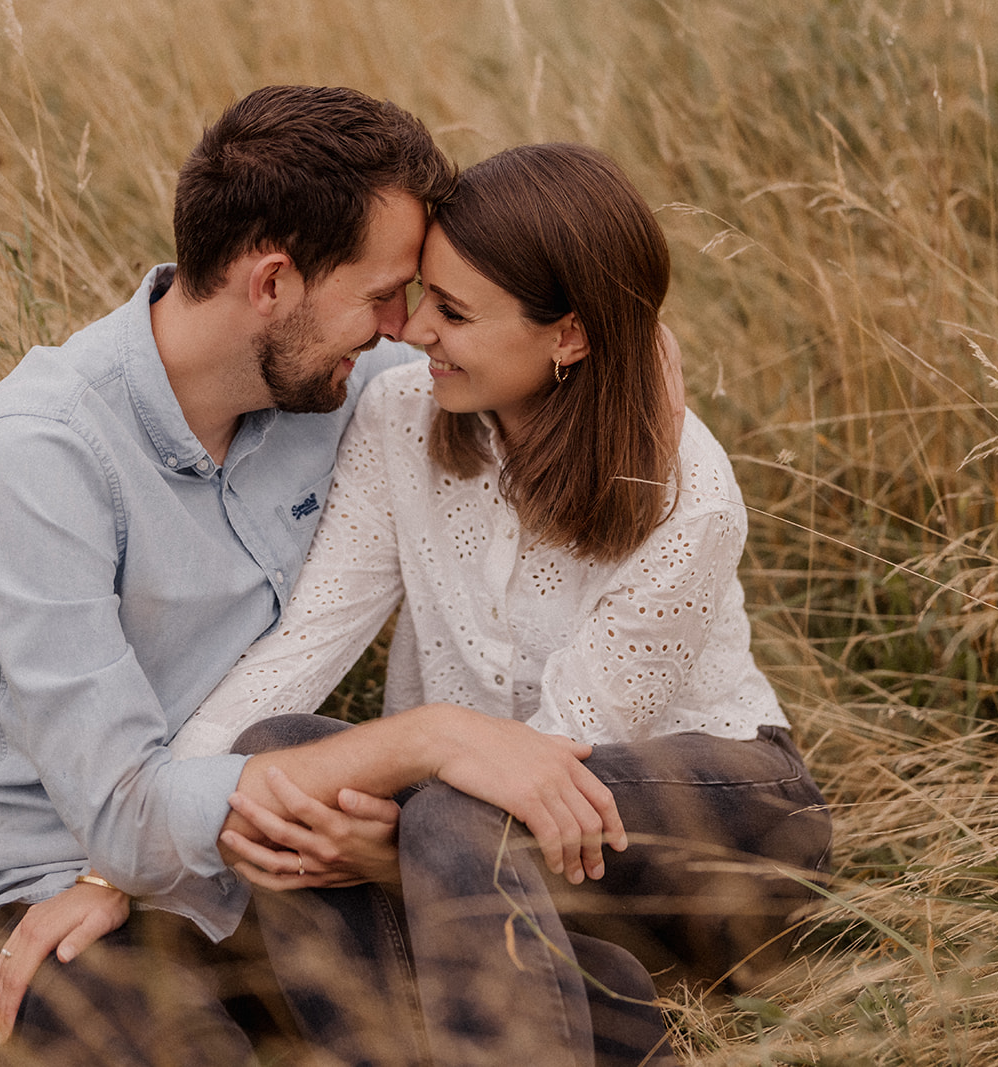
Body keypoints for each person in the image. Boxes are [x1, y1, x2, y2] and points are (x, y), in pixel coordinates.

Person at [0, 88, 630, 1067]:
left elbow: (568, 342)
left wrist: (637, 351)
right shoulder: (41, 455)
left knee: (602, 1017)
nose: (408, 325)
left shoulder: (344, 378)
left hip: (282, 870)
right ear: (271, 283)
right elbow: (127, 818)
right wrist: (436, 738)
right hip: (62, 896)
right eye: (386, 293)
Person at [175, 143, 833, 1066]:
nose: (411, 331)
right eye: (419, 297)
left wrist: (389, 846)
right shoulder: (398, 418)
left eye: (454, 312)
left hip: (708, 836)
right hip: (475, 834)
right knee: (277, 760)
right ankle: (607, 1025)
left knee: (461, 814)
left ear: (568, 334)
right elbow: (302, 645)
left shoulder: (688, 488)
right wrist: (144, 824)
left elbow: (555, 772)